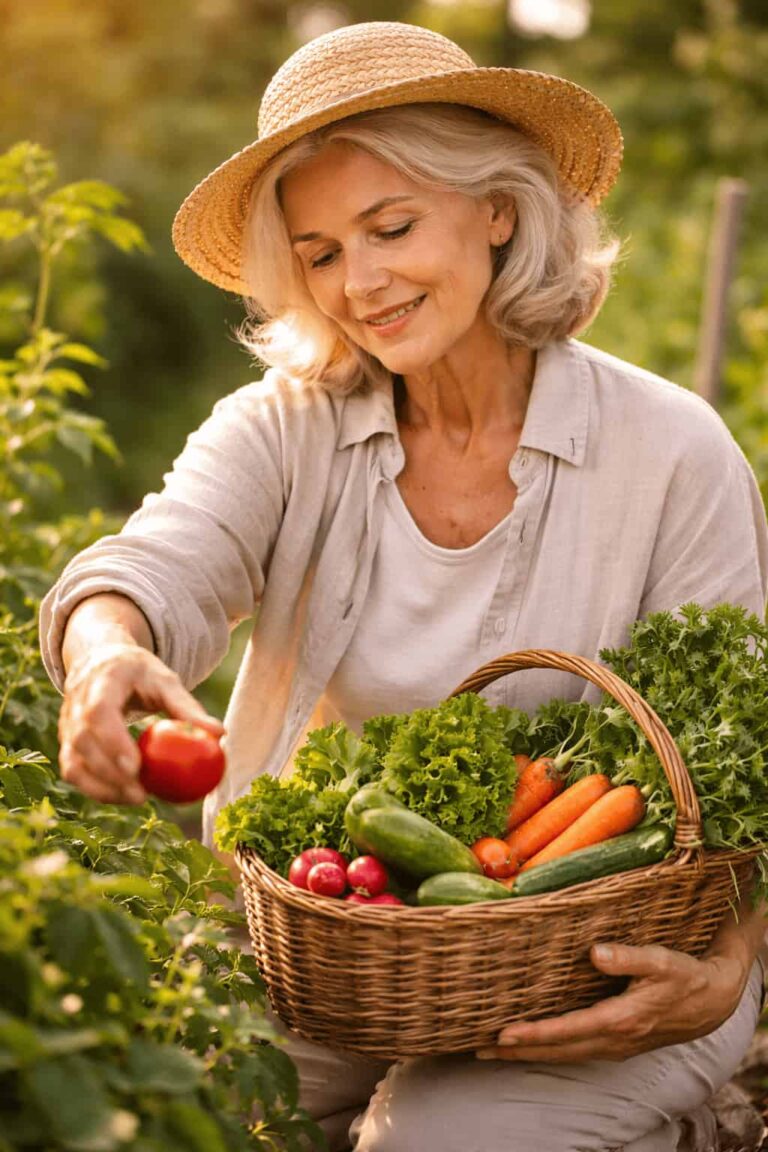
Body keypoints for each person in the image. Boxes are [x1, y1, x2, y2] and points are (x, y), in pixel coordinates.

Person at [40, 21, 768, 1152]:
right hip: (331, 951)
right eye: (321, 253)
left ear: (498, 210)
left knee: (426, 1141)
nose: (362, 283)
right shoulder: (285, 431)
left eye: (392, 228)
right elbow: (150, 565)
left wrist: (728, 971)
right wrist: (106, 653)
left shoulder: (671, 452)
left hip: (597, 972)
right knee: (163, 1111)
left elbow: (746, 757)